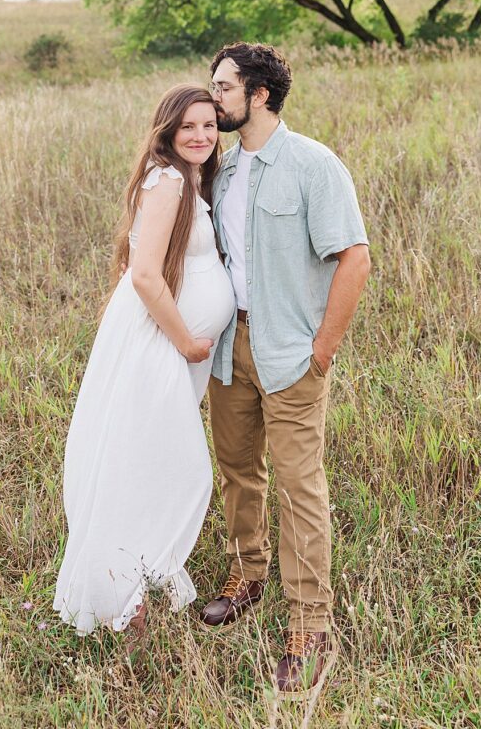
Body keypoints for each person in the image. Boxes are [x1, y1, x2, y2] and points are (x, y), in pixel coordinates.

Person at [200, 42, 371, 699]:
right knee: (239, 470)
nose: (211, 97)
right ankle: (247, 575)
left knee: (300, 489)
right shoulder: (221, 171)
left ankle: (309, 626)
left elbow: (353, 259)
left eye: (221, 87)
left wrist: (320, 349)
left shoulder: (311, 165)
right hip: (228, 348)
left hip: (290, 354)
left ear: (258, 95)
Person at [53, 85, 235, 641]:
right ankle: (119, 592)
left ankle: (134, 583)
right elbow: (146, 275)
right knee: (161, 465)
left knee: (147, 458)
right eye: (189, 127)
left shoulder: (192, 177)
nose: (201, 135)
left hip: (176, 347)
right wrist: (185, 341)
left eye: (210, 125)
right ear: (168, 131)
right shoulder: (168, 180)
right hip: (162, 343)